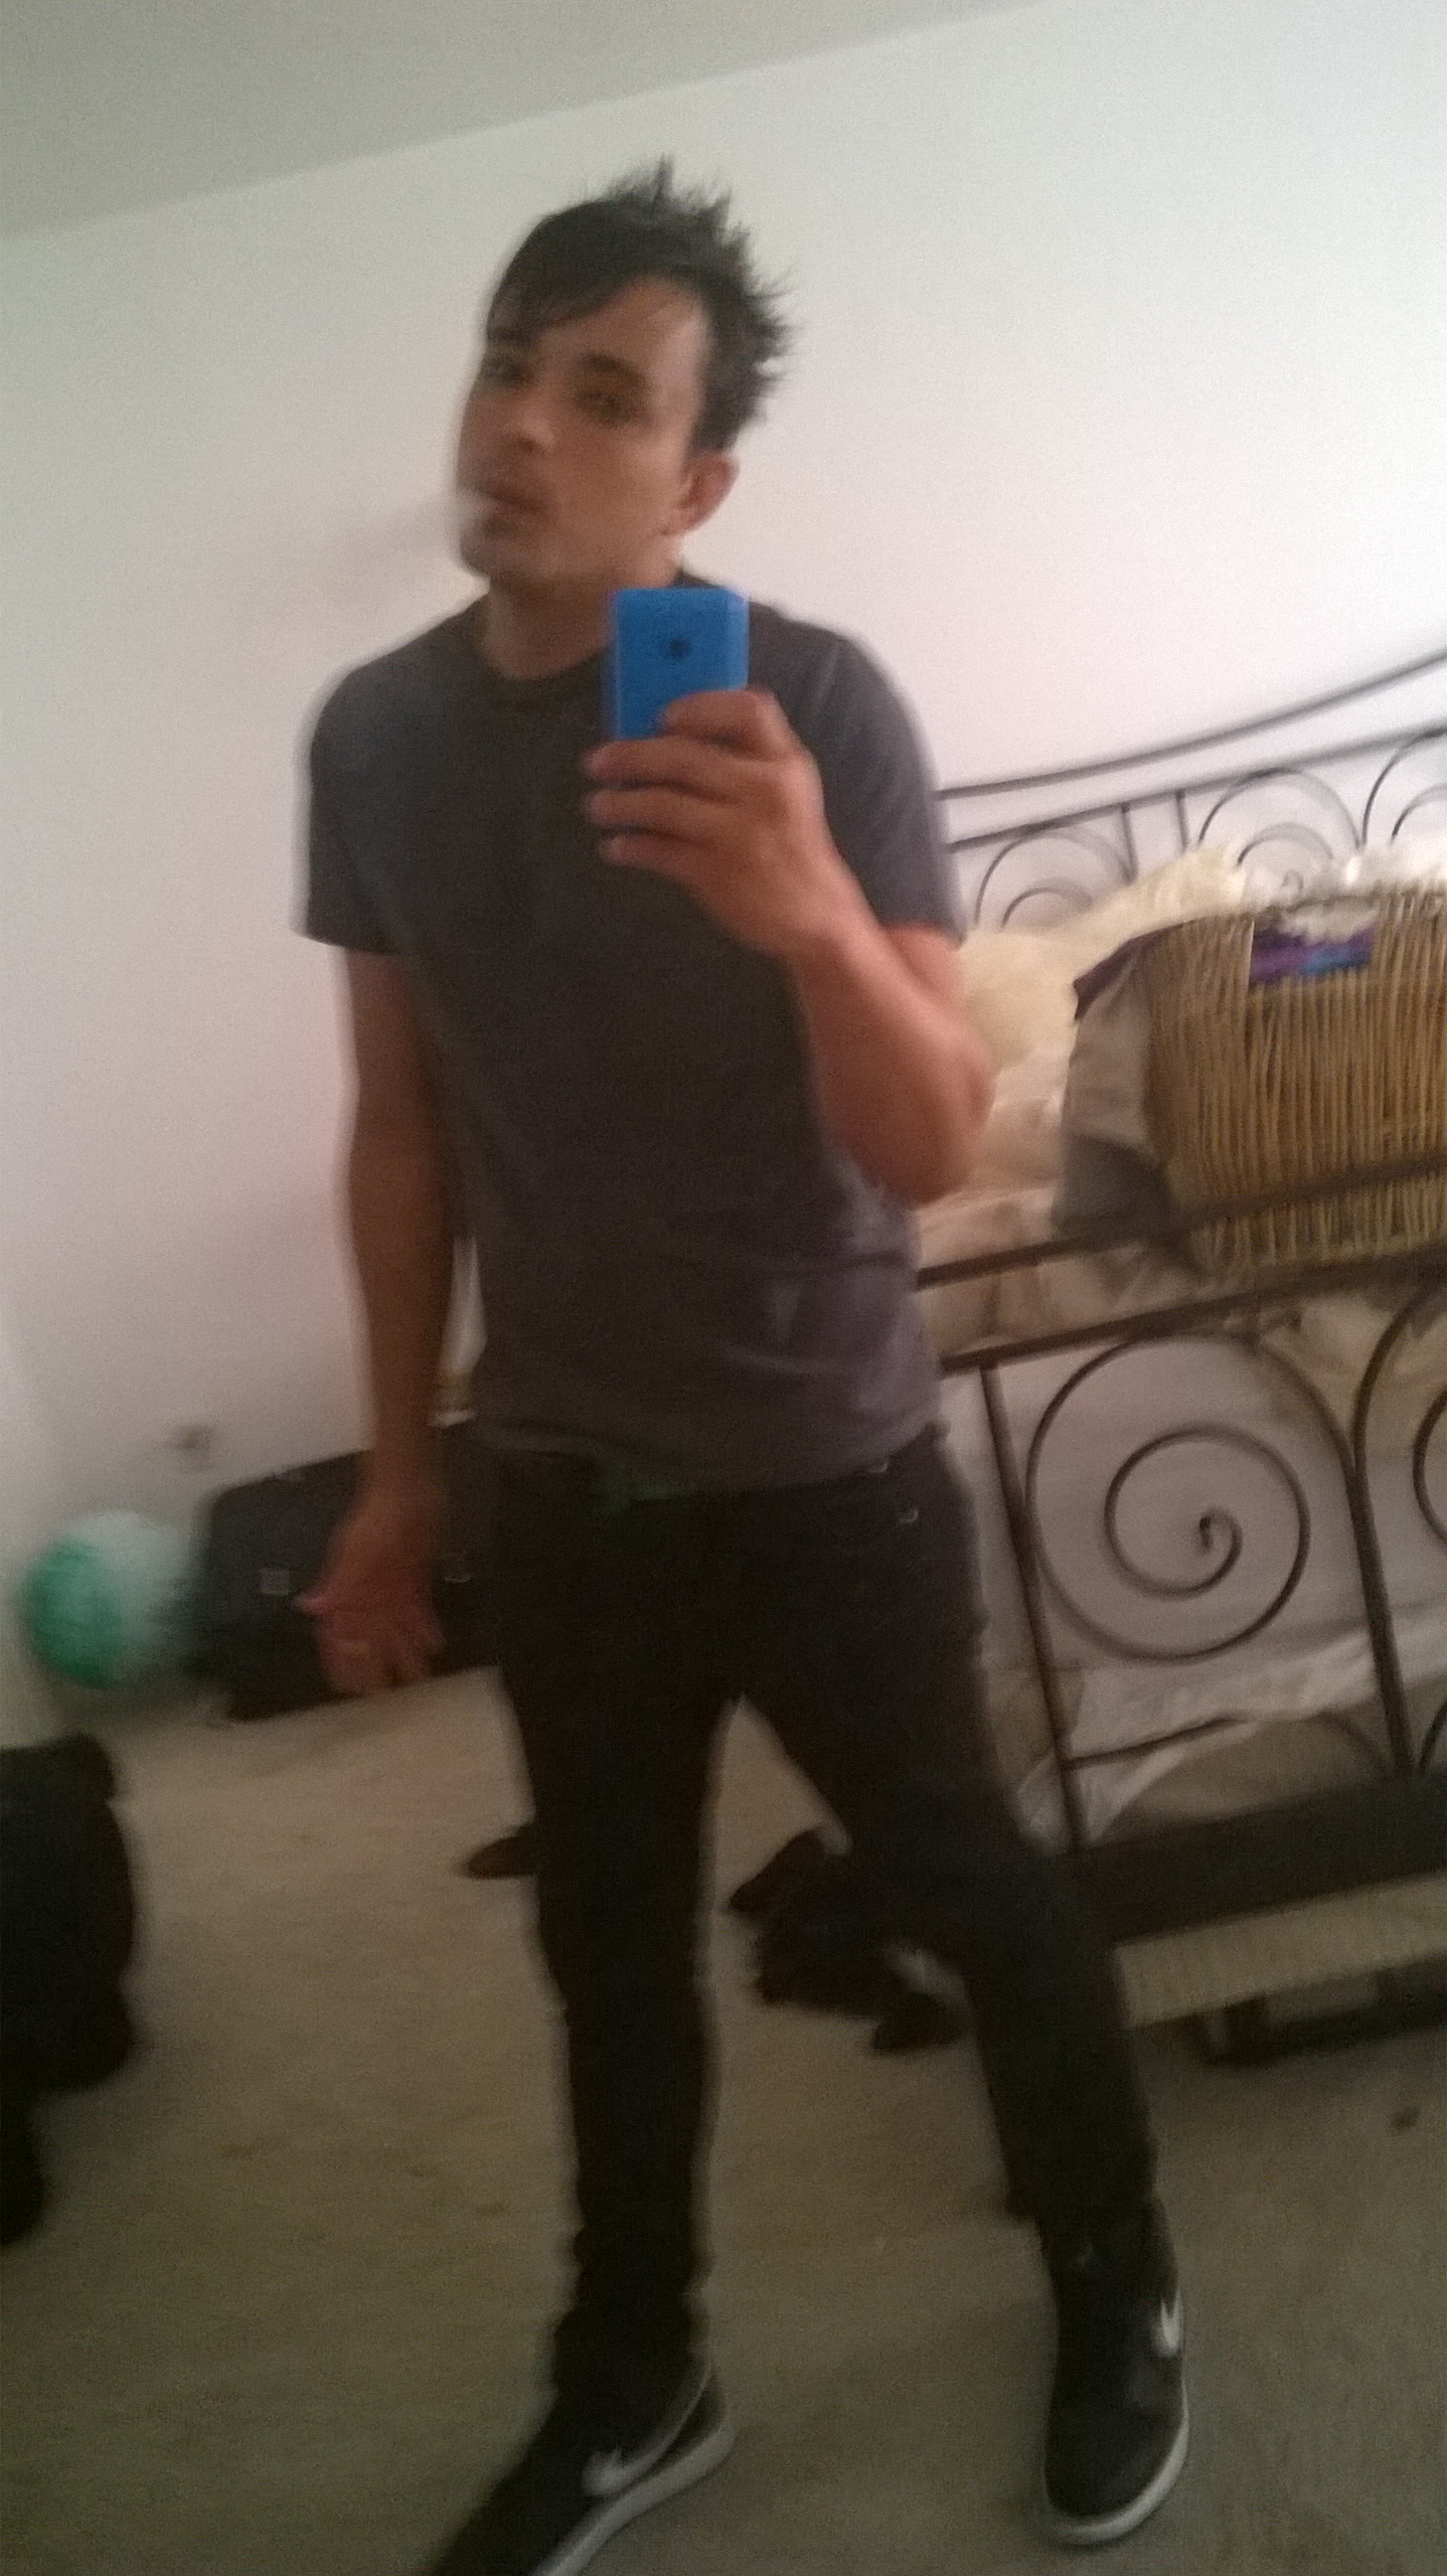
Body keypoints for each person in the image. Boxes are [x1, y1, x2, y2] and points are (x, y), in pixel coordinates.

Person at [299, 164, 1189, 2576]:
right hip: (558, 1478)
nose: (523, 425)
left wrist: (805, 915)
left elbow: (927, 1143)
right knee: (604, 1949)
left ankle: (1116, 2275)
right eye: (510, 366)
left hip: (820, 1463)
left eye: (603, 398)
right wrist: (395, 1476)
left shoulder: (815, 705)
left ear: (692, 487)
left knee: (966, 1888)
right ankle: (637, 2377)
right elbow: (398, 1130)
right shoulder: (371, 739)